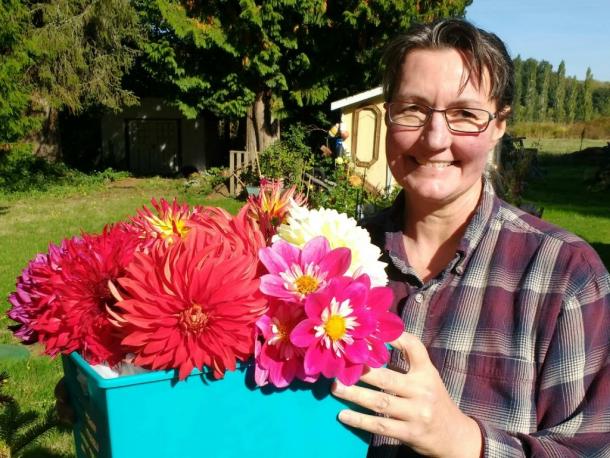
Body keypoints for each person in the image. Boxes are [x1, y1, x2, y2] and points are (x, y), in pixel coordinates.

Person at [330, 18, 610, 457]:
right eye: (412, 109)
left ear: (499, 125)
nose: (435, 138)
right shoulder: (332, 259)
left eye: (464, 114)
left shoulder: (564, 276)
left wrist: (466, 441)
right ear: (388, 118)